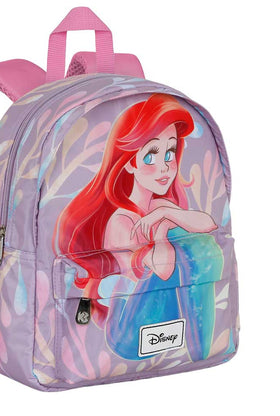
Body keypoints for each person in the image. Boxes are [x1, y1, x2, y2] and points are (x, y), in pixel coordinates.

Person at [53, 94, 223, 361]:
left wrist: (166, 212)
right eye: (151, 155)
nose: (165, 166)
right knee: (197, 249)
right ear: (130, 162)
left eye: (170, 153)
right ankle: (201, 351)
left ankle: (200, 349)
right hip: (127, 333)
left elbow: (209, 224)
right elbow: (163, 270)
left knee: (204, 246)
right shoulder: (121, 221)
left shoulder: (159, 205)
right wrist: (162, 230)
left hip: (160, 318)